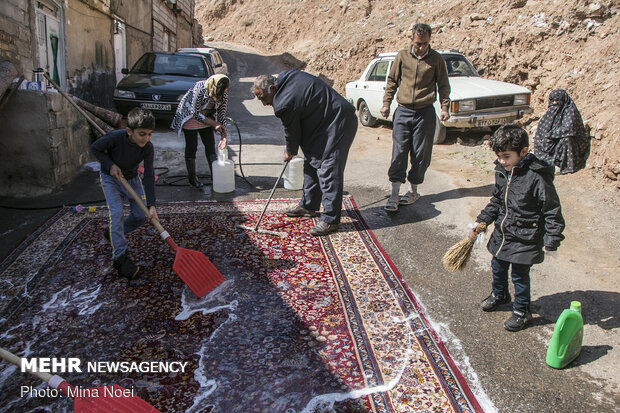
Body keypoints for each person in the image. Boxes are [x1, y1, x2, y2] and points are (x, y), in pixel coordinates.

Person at [472, 124, 565, 331]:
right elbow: (497, 200)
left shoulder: (537, 176)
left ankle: (522, 312)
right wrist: (483, 221)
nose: (502, 161)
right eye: (499, 157)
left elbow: (551, 209)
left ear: (523, 152)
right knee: (497, 266)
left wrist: (552, 239)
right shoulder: (503, 170)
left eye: (506, 156)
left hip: (526, 236)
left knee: (520, 276)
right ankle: (500, 294)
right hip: (503, 234)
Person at [253, 71, 357, 236]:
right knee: (312, 161)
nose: (264, 103)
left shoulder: (283, 103)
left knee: (328, 169)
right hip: (321, 124)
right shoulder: (286, 76)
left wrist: (290, 151)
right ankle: (308, 206)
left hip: (338, 122)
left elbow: (292, 132)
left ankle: (330, 220)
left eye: (263, 98)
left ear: (272, 88)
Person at [380, 23, 451, 212]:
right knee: (399, 151)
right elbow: (392, 81)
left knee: (421, 154)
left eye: (425, 44)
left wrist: (445, 107)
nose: (421, 48)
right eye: (418, 44)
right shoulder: (402, 56)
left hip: (425, 113)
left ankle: (413, 191)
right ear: (412, 39)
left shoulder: (436, 59)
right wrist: (386, 103)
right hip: (403, 111)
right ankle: (394, 195)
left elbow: (443, 85)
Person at [91, 108, 159, 279]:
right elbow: (96, 148)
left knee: (140, 216)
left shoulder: (147, 148)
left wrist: (151, 206)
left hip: (132, 179)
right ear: (129, 131)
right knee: (117, 214)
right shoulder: (115, 137)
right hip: (111, 178)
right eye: (142, 134)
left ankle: (112, 234)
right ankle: (120, 257)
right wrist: (110, 165)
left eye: (150, 134)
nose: (146, 138)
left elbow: (149, 176)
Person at [171, 74, 230, 187]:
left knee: (210, 145)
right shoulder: (200, 88)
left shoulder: (224, 95)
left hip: (207, 117)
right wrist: (213, 124)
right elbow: (195, 113)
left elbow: (222, 115)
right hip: (190, 116)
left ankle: (215, 176)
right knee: (192, 146)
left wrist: (224, 135)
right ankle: (192, 179)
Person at [534, 89, 590, 174]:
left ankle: (565, 165)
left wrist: (551, 134)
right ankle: (551, 161)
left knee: (567, 140)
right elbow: (542, 130)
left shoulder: (570, 111)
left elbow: (569, 129)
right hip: (554, 138)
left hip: (574, 141)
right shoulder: (551, 112)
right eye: (553, 101)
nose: (555, 103)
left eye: (557, 101)